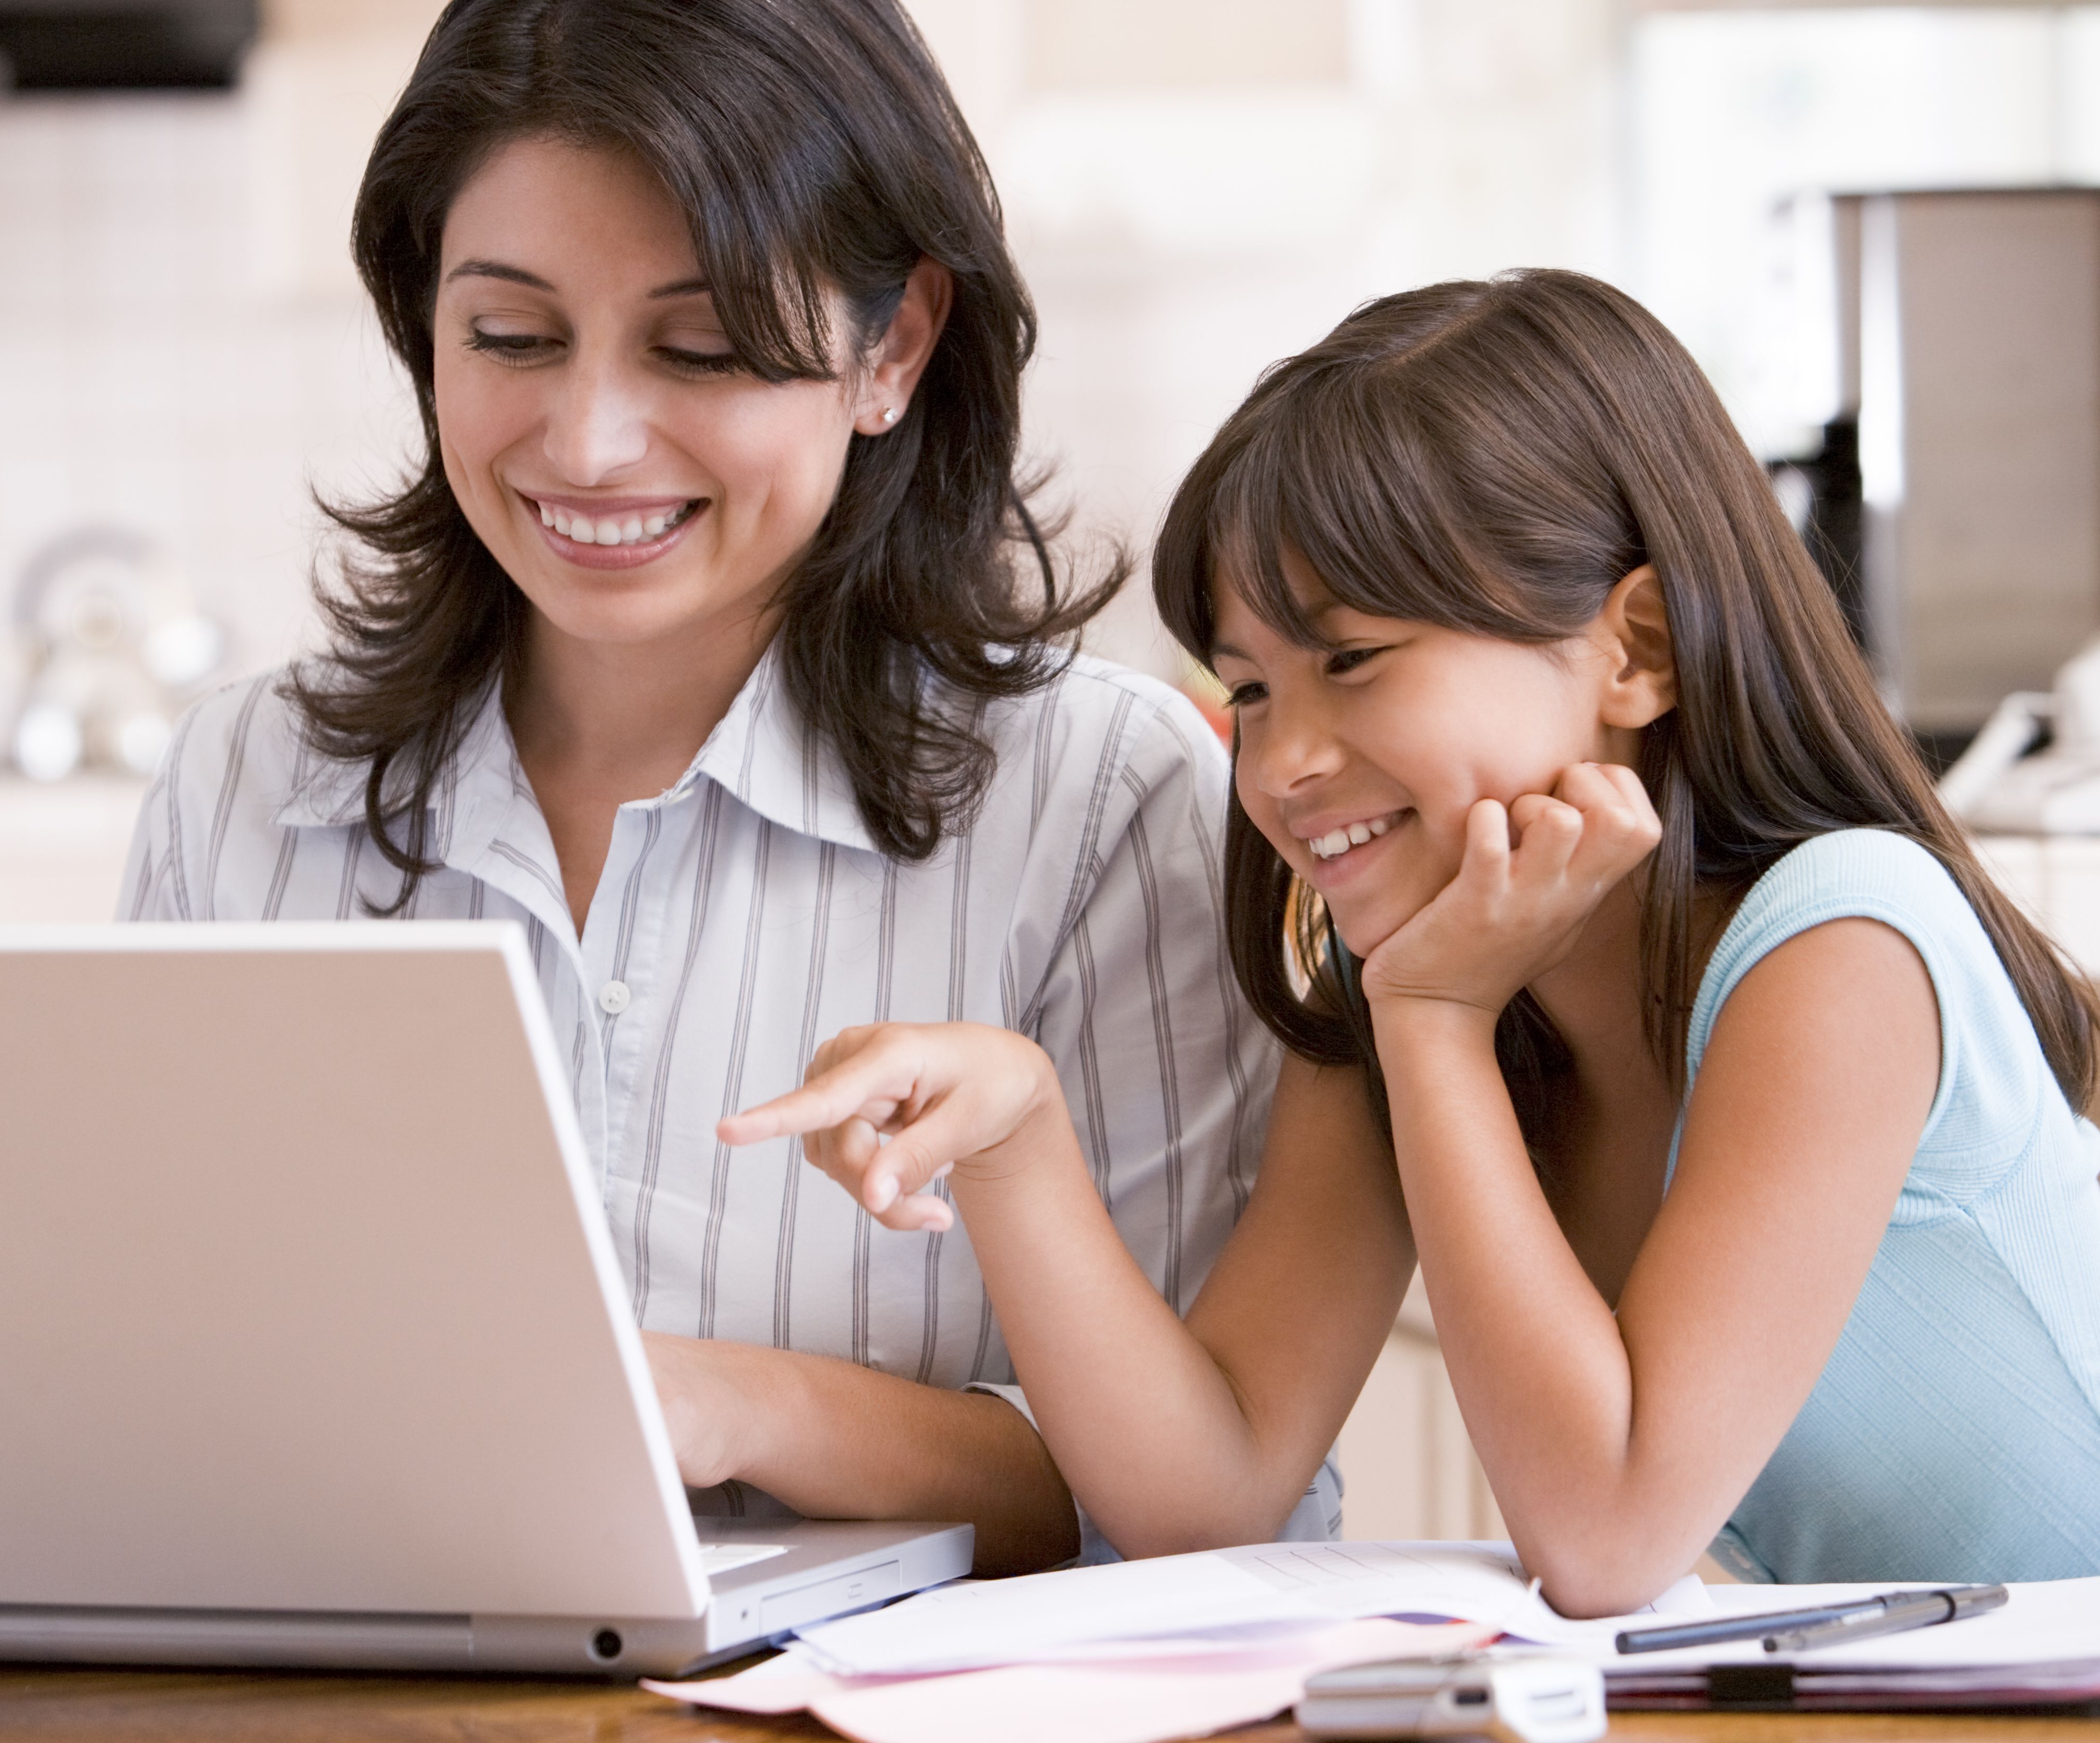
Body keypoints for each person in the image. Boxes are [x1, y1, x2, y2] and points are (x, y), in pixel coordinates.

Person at [727, 270, 2100, 1612]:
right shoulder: (1424, 995)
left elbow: (1610, 1535)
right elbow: (1216, 1487)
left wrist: (1431, 1023)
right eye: (1248, 691)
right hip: (1986, 1694)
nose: (1283, 763)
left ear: (1632, 650)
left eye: (1353, 664)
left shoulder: (1836, 946)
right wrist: (1018, 1143)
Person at [116, 0, 1300, 1575]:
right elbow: (140, 1391)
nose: (591, 442)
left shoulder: (1103, 798)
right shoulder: (240, 786)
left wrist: (725, 1410)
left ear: (891, 349)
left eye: (705, 347)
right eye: (511, 338)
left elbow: (1184, 1502)